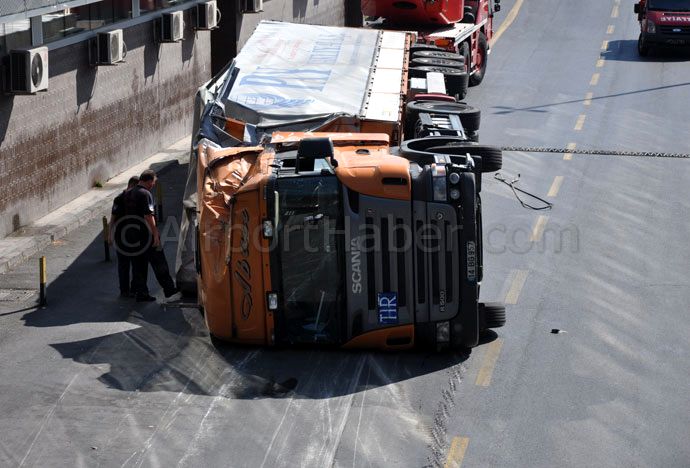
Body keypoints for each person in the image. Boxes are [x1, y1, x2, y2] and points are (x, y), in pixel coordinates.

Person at [122, 169, 178, 302]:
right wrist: (155, 234)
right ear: (148, 181)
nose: (153, 185)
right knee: (159, 262)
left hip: (131, 236)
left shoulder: (128, 194)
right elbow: (148, 216)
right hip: (145, 235)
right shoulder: (145, 194)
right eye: (153, 182)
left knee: (139, 266)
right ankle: (169, 289)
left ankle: (141, 293)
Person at [110, 175, 139, 297]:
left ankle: (129, 289)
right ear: (131, 185)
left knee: (129, 264)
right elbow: (113, 218)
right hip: (123, 237)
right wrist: (110, 236)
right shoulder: (119, 199)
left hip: (128, 236)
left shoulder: (135, 198)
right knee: (126, 264)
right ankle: (126, 290)